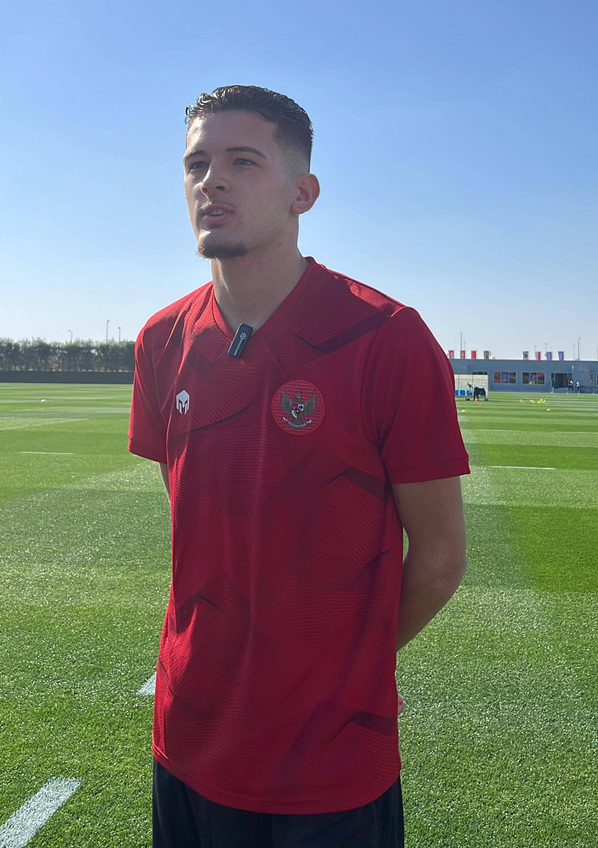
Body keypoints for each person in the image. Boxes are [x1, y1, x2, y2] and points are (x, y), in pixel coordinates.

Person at [128, 85, 469, 848]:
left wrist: (340, 664)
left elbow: (441, 558)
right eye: (197, 163)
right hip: (187, 740)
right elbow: (195, 522)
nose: (211, 180)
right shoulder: (161, 341)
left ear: (301, 193)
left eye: (243, 161)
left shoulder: (387, 338)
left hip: (328, 757)